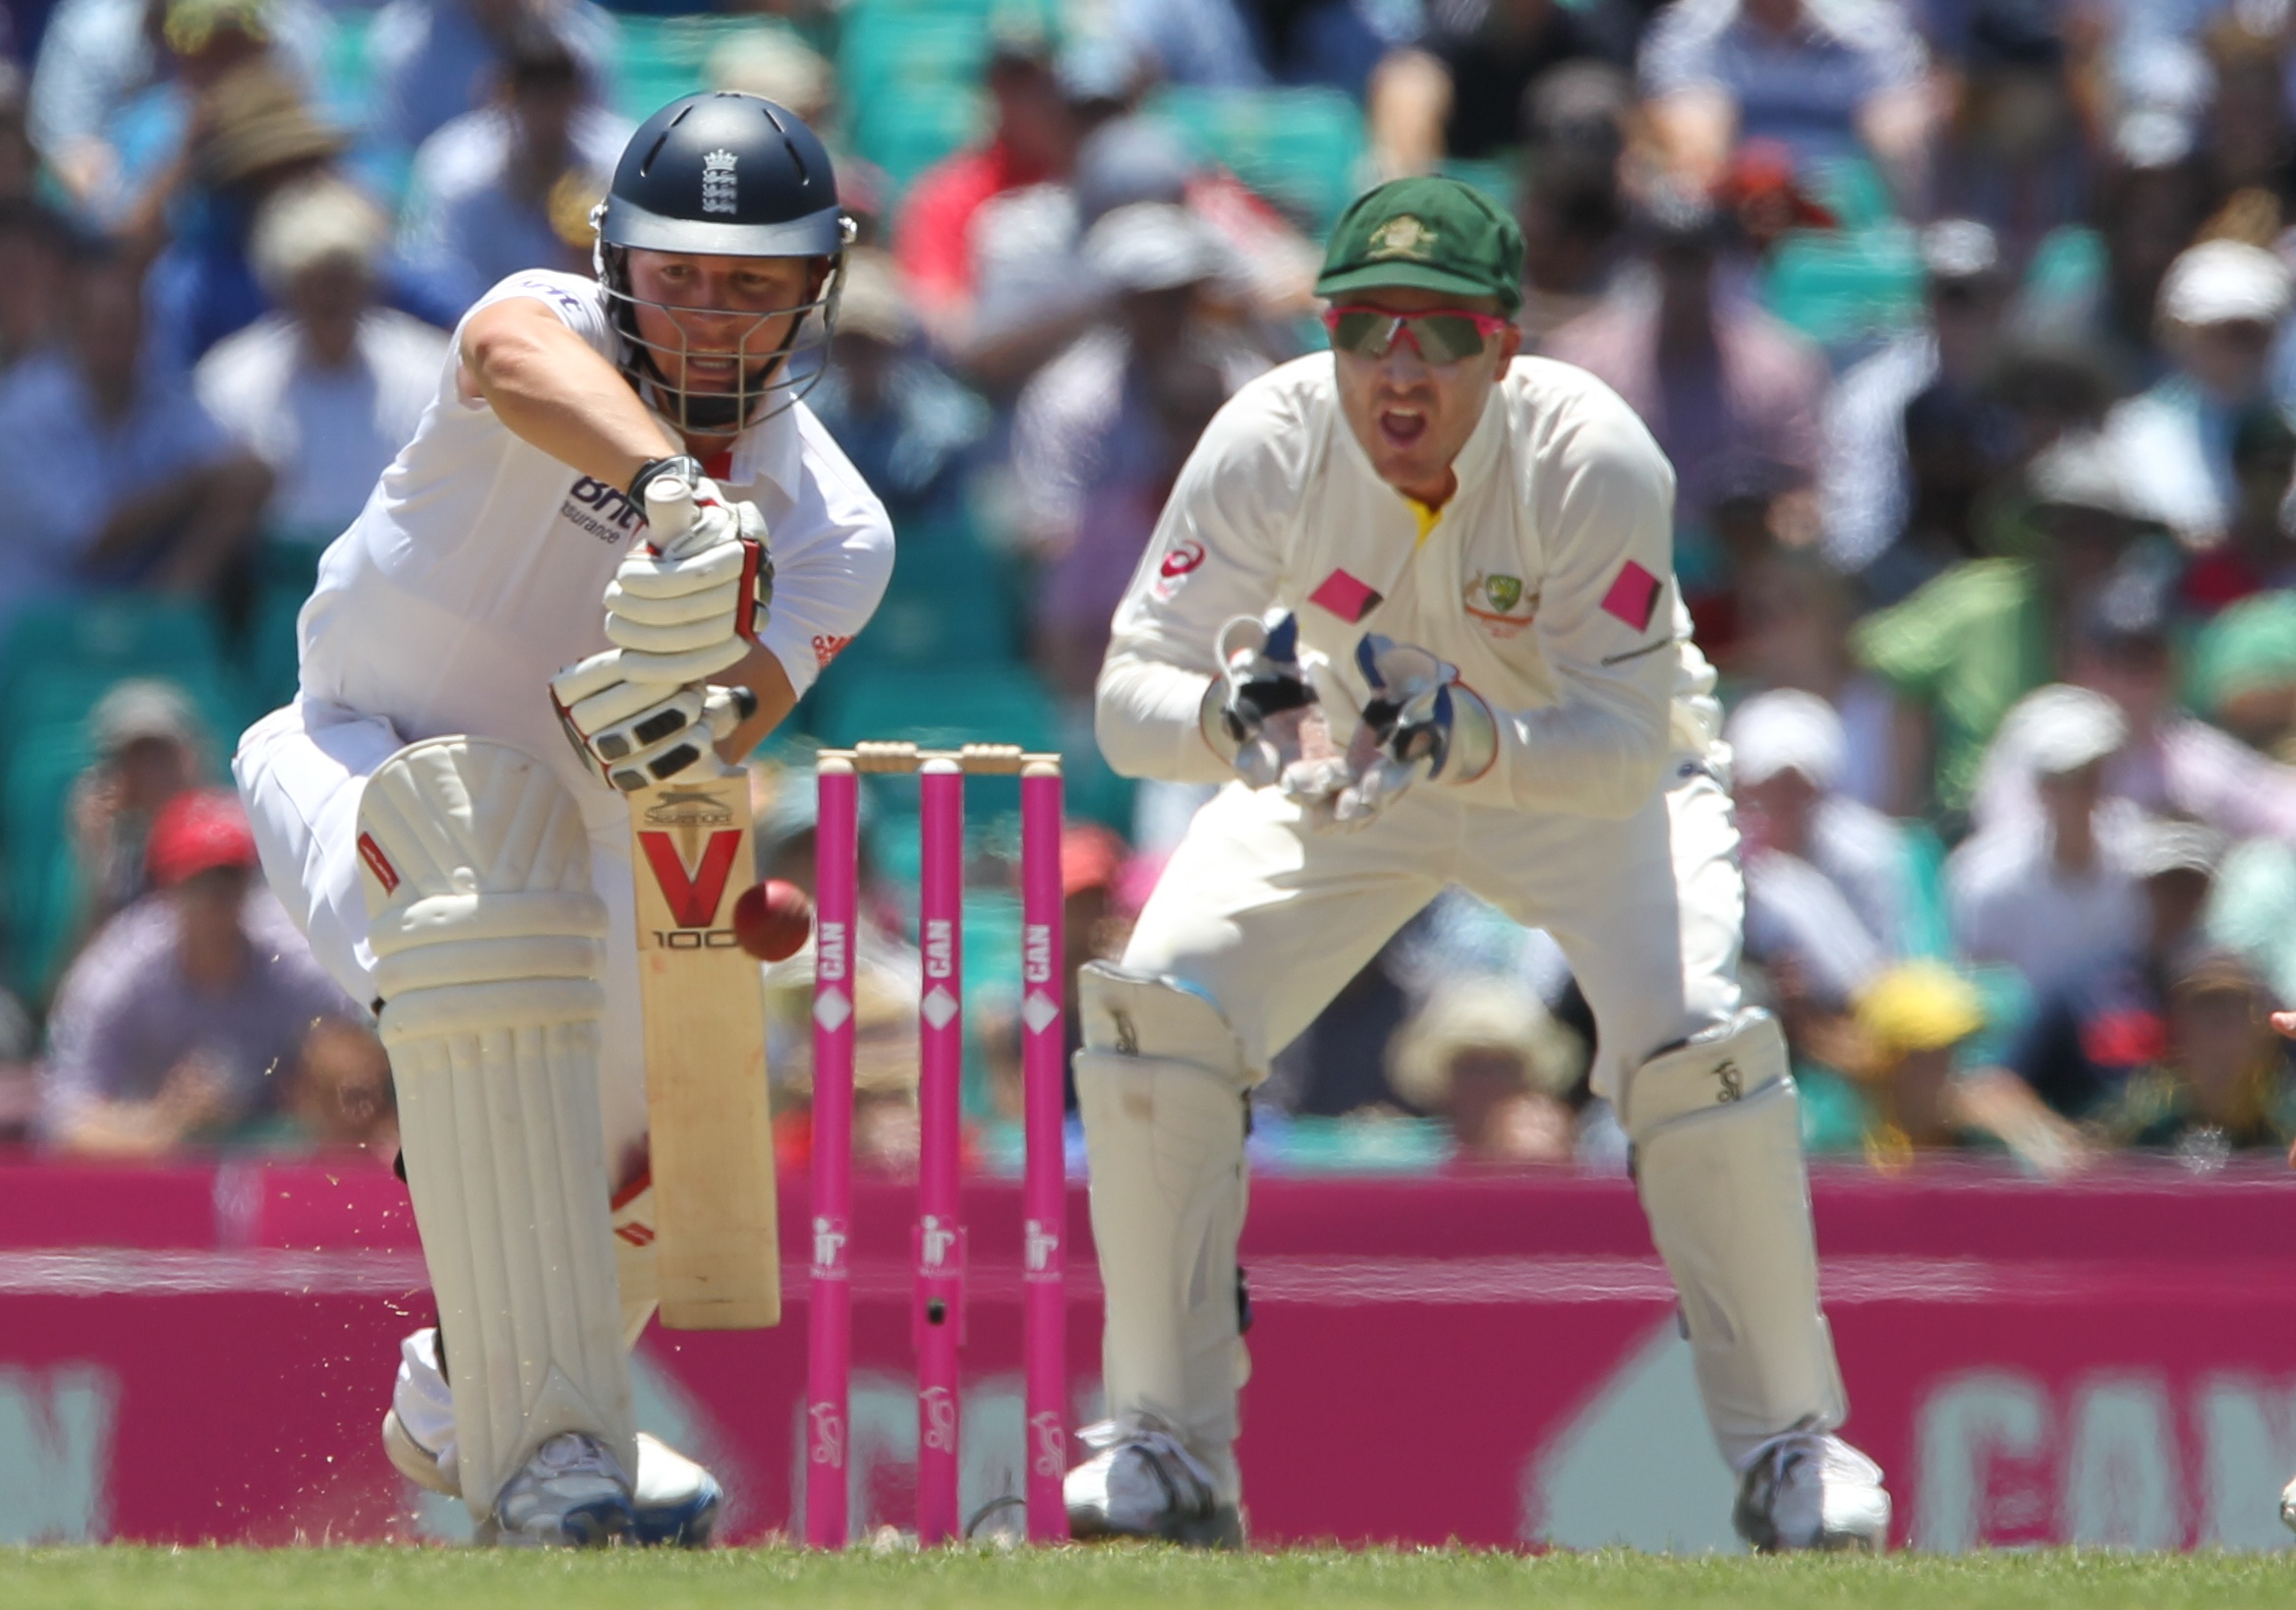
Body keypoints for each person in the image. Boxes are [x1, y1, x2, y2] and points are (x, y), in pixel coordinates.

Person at [1069, 175, 1889, 1550]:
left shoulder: (1591, 451)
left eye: (1440, 332)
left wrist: (1476, 738)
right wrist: (1229, 717)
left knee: (1695, 1042)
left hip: (1579, 780)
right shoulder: (1268, 436)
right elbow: (1127, 691)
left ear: (1502, 347)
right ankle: (1166, 1440)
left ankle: (1792, 1445)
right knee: (1159, 1010)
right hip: (1354, 769)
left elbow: (1629, 743)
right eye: (1365, 327)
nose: (1399, 368)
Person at [232, 92, 892, 1546]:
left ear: (813, 291)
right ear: (618, 265)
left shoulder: (836, 530)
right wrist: (670, 492)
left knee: (685, 1106)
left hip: (575, 825)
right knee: (488, 912)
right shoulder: (545, 322)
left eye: (753, 288)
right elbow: (500, 351)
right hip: (349, 747)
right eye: (678, 279)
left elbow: (702, 745)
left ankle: (473, 1389)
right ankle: (547, 1460)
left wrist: (695, 673)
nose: (711, 319)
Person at [39, 789, 362, 1156]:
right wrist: (167, 1121)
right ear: (168, 890)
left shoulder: (292, 959)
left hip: (281, 1160)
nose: (218, 901)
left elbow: (365, 1071)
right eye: (203, 884)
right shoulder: (118, 972)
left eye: (232, 880)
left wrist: (320, 1092)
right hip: (150, 1175)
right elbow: (64, 1122)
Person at [196, 174, 451, 545]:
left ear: (366, 282)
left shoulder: (426, 368)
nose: (328, 296)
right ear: (284, 288)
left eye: (342, 277)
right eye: (312, 281)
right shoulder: (230, 380)